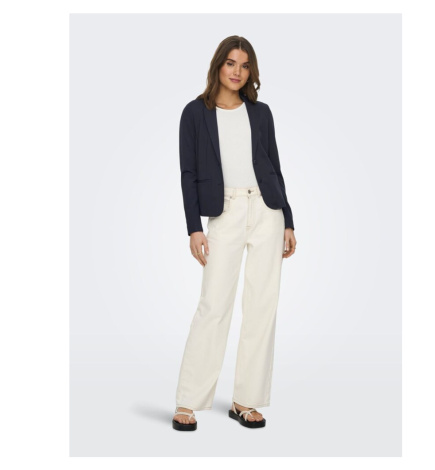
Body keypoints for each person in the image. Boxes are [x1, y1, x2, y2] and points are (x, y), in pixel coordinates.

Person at [172, 36, 297, 431]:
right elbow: (188, 173)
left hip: (266, 210)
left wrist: (288, 220)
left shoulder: (261, 114)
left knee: (262, 306)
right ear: (218, 66)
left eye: (244, 65)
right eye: (230, 63)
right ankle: (188, 401)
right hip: (223, 212)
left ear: (251, 71)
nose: (237, 72)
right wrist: (194, 228)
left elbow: (275, 167)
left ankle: (246, 400)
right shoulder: (195, 112)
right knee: (214, 305)